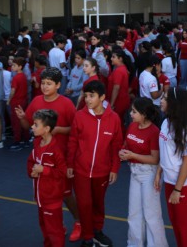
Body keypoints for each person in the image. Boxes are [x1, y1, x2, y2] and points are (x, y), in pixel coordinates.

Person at [16, 67, 81, 242]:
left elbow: (75, 129)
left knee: (66, 193)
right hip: (40, 156)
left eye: (49, 83)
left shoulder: (66, 104)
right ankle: (57, 224)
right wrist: (22, 118)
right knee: (45, 194)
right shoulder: (36, 101)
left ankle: (78, 221)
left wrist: (59, 130)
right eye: (43, 83)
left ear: (58, 85)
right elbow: (28, 127)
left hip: (60, 156)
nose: (44, 86)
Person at [67, 80, 122, 247]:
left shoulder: (114, 118)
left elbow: (116, 146)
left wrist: (114, 168)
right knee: (84, 204)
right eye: (86, 96)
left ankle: (97, 231)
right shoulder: (79, 116)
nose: (87, 99)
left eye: (92, 96)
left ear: (102, 97)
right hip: (81, 170)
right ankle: (88, 237)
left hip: (102, 171)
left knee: (98, 204)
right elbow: (73, 141)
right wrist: (70, 164)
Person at [155, 87, 187, 247]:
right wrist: (159, 172)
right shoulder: (165, 122)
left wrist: (178, 189)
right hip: (170, 180)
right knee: (174, 221)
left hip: (183, 184)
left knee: (183, 224)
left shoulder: (185, 130)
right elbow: (164, 151)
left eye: (165, 98)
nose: (161, 101)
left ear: (174, 103)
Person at [119, 98, 168, 247]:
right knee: (133, 213)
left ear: (144, 114)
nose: (131, 114)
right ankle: (134, 244)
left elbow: (155, 159)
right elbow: (127, 144)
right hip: (134, 172)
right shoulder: (132, 126)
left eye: (134, 111)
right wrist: (123, 151)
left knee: (151, 214)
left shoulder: (154, 132)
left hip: (150, 174)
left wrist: (132, 156)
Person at [27, 109, 67, 247]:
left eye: (36, 124)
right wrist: (32, 171)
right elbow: (31, 161)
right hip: (40, 197)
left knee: (54, 230)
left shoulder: (56, 150)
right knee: (44, 226)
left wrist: (44, 170)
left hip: (52, 198)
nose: (32, 126)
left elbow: (62, 172)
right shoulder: (37, 143)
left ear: (46, 129)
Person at [9, 57, 30, 149]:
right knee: (24, 119)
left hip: (16, 101)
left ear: (20, 66)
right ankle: (26, 138)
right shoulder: (23, 76)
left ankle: (17, 141)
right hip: (23, 100)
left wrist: (9, 100)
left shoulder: (16, 78)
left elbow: (13, 91)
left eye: (14, 65)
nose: (12, 67)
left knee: (16, 122)